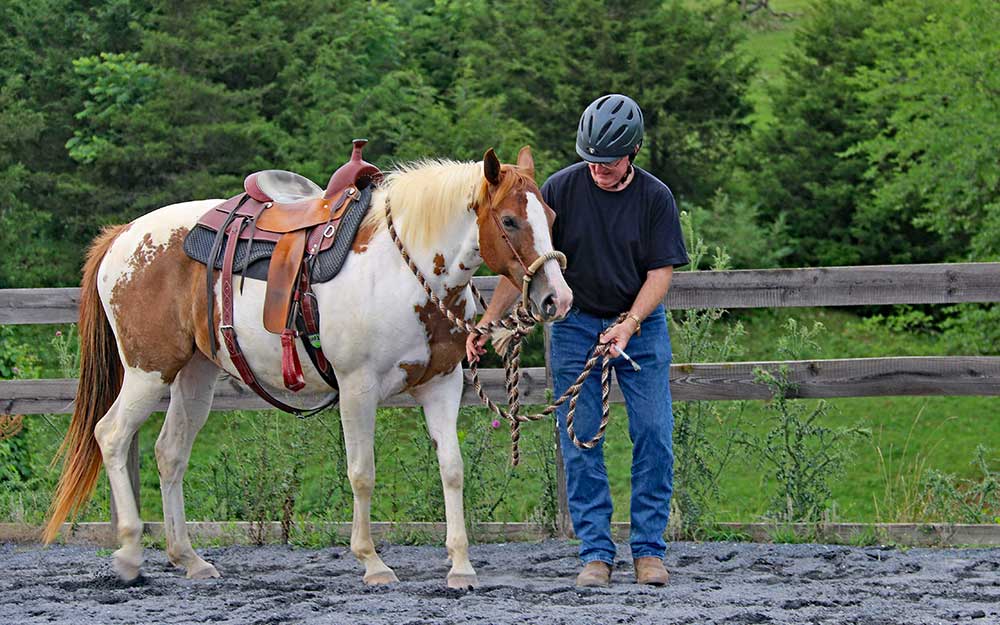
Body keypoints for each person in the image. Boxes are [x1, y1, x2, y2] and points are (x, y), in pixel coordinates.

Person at [466, 94, 688, 587]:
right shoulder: (560, 189)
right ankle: (596, 552)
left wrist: (629, 324)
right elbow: (528, 260)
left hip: (639, 326)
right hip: (576, 323)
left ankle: (649, 551)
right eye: (591, 161)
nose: (599, 171)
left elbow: (661, 273)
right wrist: (488, 323)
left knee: (654, 432)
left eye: (608, 163)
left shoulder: (655, 198)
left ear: (633, 153)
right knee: (580, 436)